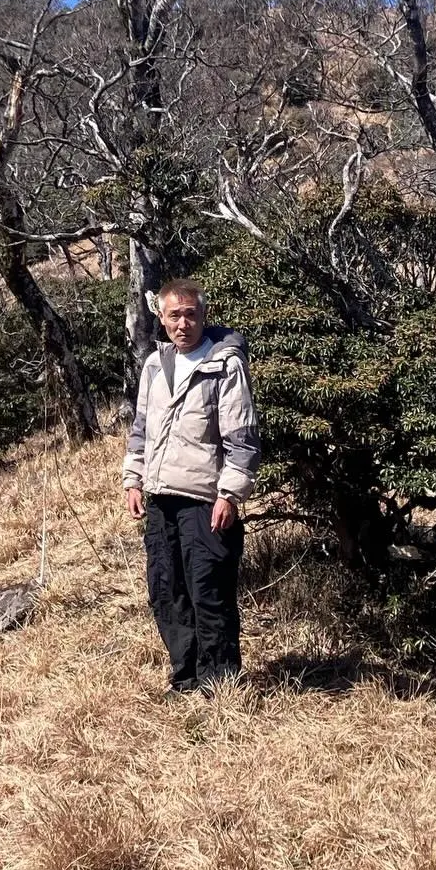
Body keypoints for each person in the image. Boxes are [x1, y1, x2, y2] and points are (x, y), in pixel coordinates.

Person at [122, 278, 260, 695]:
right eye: (174, 316)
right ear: (160, 319)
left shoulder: (225, 365)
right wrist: (133, 479)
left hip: (205, 502)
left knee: (209, 593)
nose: (183, 324)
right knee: (168, 592)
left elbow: (243, 440)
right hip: (160, 500)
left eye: (190, 314)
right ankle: (184, 678)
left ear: (203, 315)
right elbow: (140, 429)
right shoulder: (153, 366)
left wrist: (229, 495)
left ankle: (219, 685)